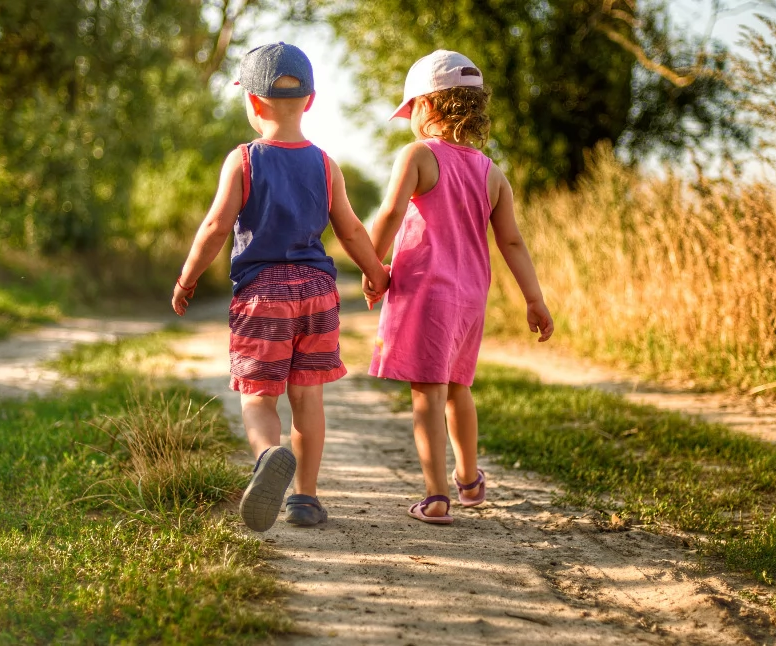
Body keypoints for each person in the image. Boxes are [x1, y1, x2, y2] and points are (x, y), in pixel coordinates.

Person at [172, 42, 390, 531]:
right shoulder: (324, 163)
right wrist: (377, 273)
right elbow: (352, 230)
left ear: (252, 103)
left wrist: (187, 279)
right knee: (307, 397)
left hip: (261, 295)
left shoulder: (244, 160)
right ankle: (306, 498)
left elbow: (214, 227)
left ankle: (269, 455)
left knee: (258, 396)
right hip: (317, 292)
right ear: (309, 101)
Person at [364, 50, 554, 525]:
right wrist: (535, 298)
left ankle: (435, 494)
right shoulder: (492, 173)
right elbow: (511, 240)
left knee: (426, 392)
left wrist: (372, 266)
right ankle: (469, 479)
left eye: (410, 110)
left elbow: (388, 214)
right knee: (456, 387)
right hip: (470, 296)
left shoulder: (418, 156)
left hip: (427, 291)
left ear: (427, 105)